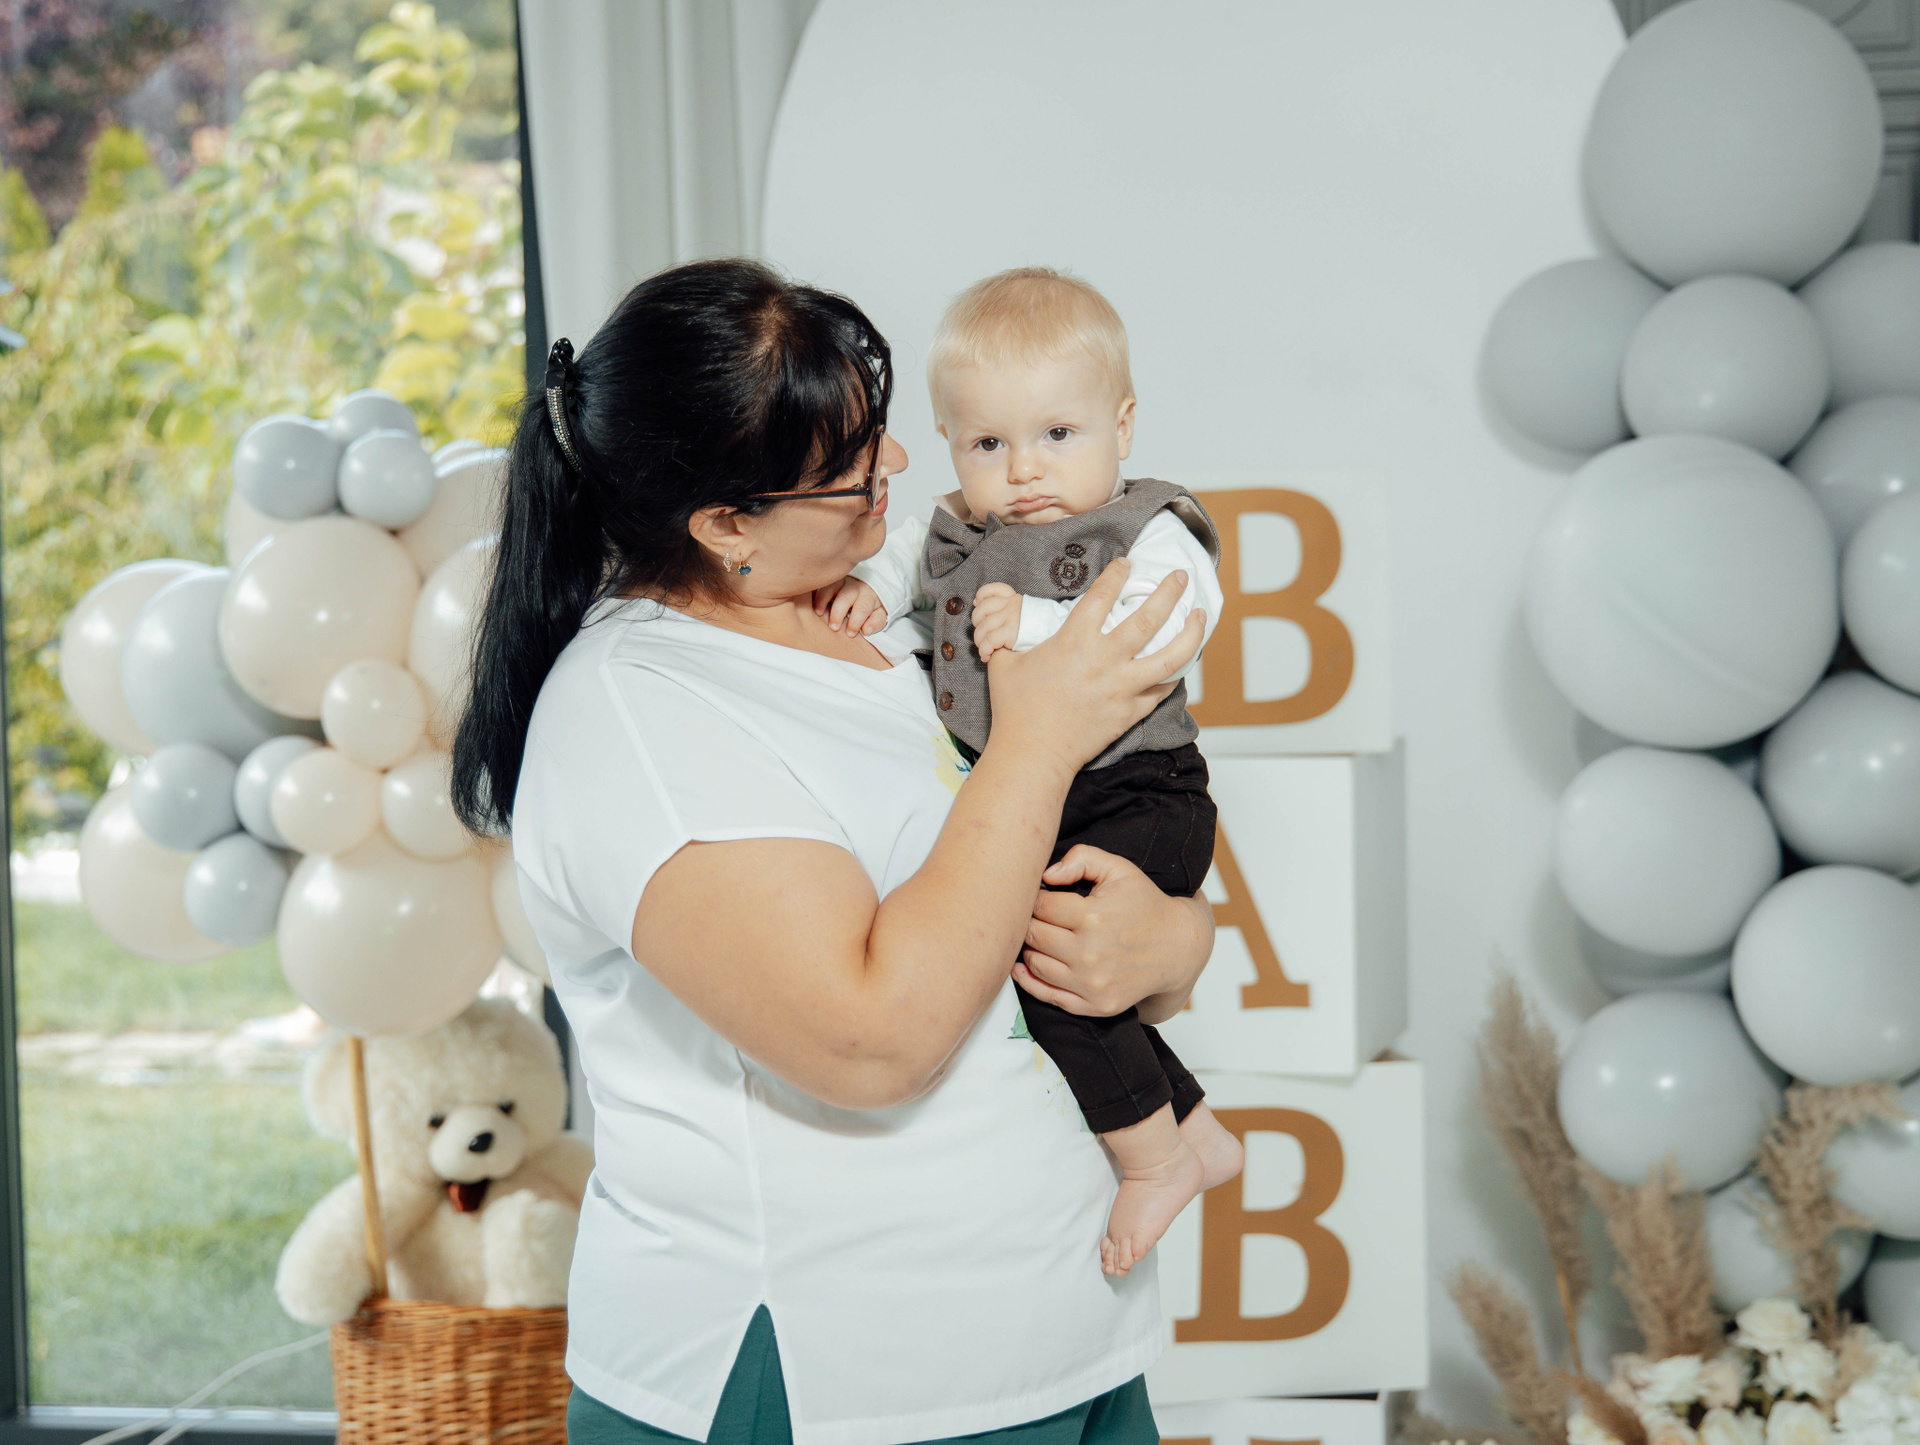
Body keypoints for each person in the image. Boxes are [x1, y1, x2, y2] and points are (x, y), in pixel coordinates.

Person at [449, 258, 1218, 1445]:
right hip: (845, 1377)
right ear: (725, 523)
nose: (900, 465)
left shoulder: (878, 622)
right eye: (855, 467)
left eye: (882, 428)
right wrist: (1042, 732)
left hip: (1064, 1328)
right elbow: (872, 1038)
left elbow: (1024, 903)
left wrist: (1171, 942)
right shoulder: (640, 711)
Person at [820, 268, 1242, 1276]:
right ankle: (1194, 1124)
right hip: (1049, 806)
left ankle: (1156, 1162)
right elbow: (907, 568)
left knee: (1052, 973)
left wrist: (1044, 623)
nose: (1023, 471)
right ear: (950, 441)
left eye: (1057, 433)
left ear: (1122, 425)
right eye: (987, 444)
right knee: (1051, 969)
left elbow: (1173, 622)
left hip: (1143, 790)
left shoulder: (1150, 527)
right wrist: (875, 593)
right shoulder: (953, 531)